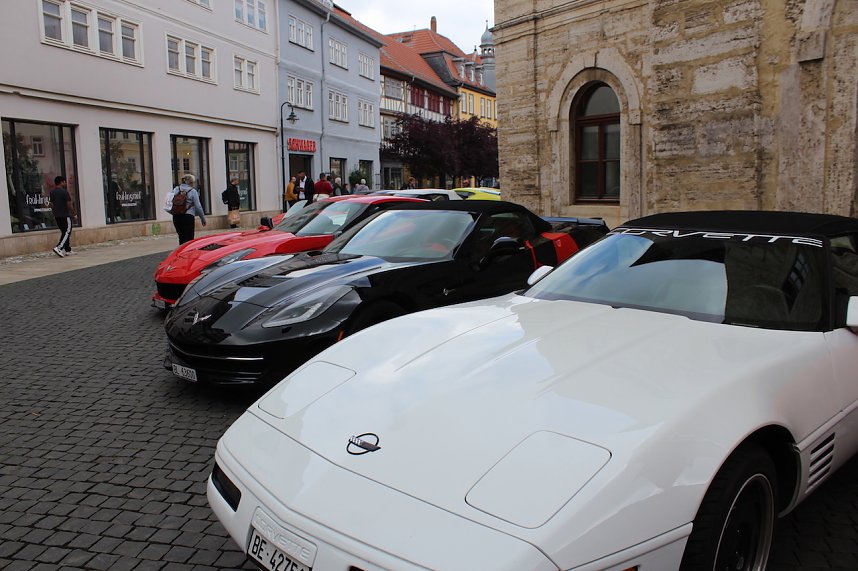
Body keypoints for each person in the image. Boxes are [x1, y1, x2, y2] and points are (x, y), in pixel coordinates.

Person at [166, 173, 206, 244]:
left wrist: (172, 212)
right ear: (191, 182)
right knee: (189, 239)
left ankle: (181, 253)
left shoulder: (175, 190)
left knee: (181, 237)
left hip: (176, 217)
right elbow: (198, 206)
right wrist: (202, 219)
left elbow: (168, 203)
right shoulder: (193, 191)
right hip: (188, 216)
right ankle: (188, 254)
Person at [49, 175, 76, 257]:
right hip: (65, 215)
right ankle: (59, 247)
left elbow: (52, 204)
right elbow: (69, 204)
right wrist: (73, 213)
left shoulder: (52, 192)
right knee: (67, 231)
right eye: (64, 182)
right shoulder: (64, 192)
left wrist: (54, 214)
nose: (65, 183)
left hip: (57, 216)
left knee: (64, 232)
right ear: (61, 182)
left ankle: (67, 249)